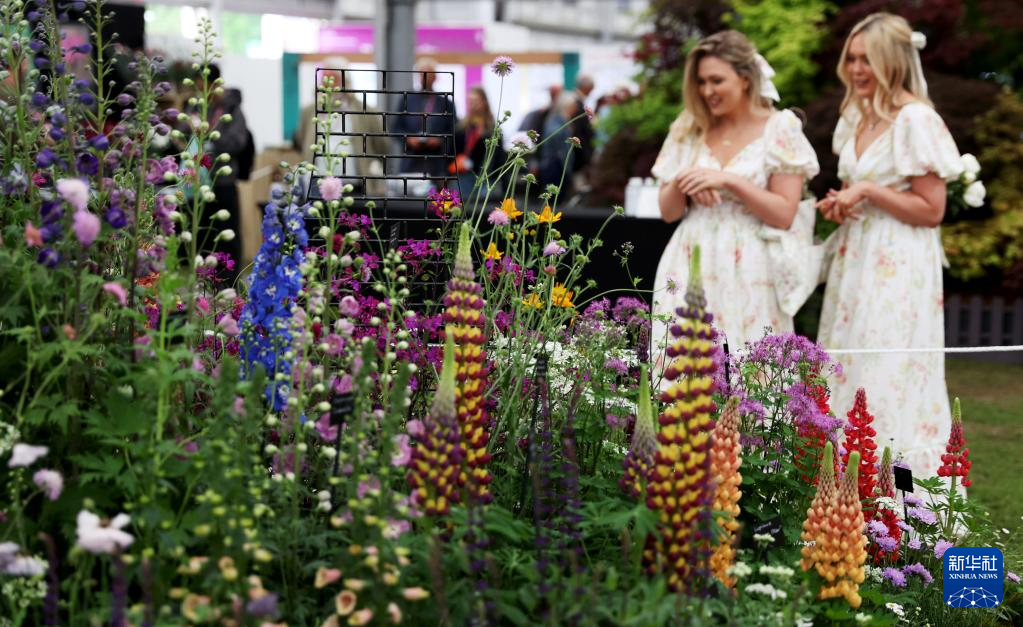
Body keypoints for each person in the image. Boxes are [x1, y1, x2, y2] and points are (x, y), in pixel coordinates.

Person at [816, 13, 963, 476]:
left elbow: (931, 208)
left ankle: (896, 495)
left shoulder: (915, 119)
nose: (857, 69)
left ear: (894, 62)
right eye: (852, 58)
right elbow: (858, 189)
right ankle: (839, 486)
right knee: (847, 364)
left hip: (898, 263)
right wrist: (843, 203)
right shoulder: (856, 116)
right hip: (855, 258)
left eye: (868, 59)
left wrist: (868, 191)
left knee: (886, 369)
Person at [650, 30, 819, 373]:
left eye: (716, 80)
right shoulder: (689, 128)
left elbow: (784, 214)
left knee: (753, 370)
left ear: (745, 79)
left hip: (752, 264)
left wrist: (728, 180)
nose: (707, 91)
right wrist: (686, 179)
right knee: (682, 370)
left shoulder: (780, 127)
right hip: (689, 258)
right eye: (701, 82)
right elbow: (668, 212)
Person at [293, 58, 389, 197]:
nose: (328, 85)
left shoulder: (365, 111)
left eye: (333, 80)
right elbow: (300, 140)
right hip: (317, 183)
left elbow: (381, 145)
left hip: (354, 184)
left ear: (345, 82)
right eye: (324, 80)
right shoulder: (309, 111)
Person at [392, 58, 456, 182]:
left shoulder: (445, 103)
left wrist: (440, 139)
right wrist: (408, 138)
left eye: (429, 74)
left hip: (436, 161)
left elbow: (453, 130)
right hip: (411, 160)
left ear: (435, 77)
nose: (425, 78)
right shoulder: (407, 100)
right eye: (422, 74)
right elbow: (396, 128)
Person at [451, 85, 506, 199]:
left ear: (484, 103)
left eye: (476, 101)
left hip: (487, 178)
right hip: (463, 176)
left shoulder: (493, 129)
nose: (472, 104)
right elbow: (452, 150)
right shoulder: (461, 127)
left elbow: (500, 157)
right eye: (470, 101)